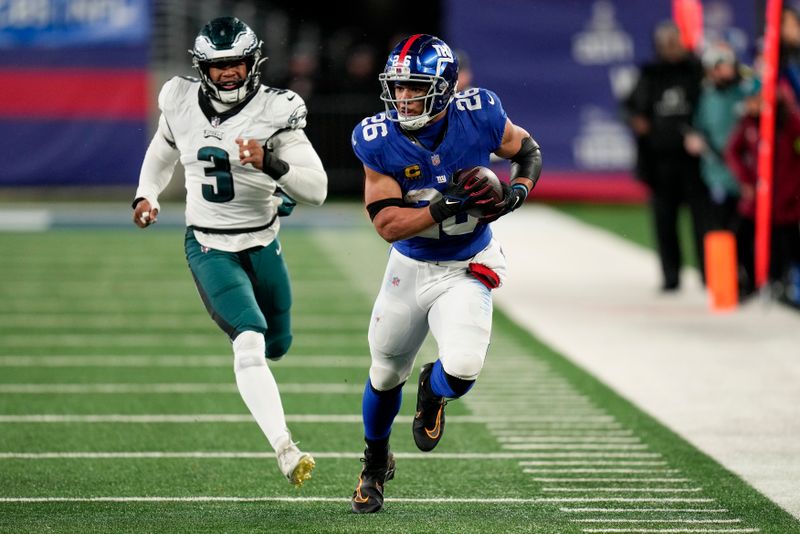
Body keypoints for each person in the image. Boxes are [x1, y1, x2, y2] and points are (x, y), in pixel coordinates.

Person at [348, 34, 542, 513]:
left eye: (415, 87)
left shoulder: (480, 113)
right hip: (411, 264)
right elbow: (388, 224)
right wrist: (443, 207)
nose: (403, 98)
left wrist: (515, 193)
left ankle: (433, 392)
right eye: (397, 87)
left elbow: (528, 152)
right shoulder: (379, 138)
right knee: (385, 370)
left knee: (462, 367)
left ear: (446, 88)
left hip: (465, 264)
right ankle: (374, 464)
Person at [131, 17, 327, 486]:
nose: (229, 74)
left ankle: (276, 420)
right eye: (219, 66)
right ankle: (284, 447)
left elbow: (317, 189)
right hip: (209, 245)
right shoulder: (179, 101)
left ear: (253, 62)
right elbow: (162, 152)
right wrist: (147, 194)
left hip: (263, 241)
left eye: (236, 63)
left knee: (278, 344)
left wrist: (272, 164)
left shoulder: (276, 110)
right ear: (203, 68)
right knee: (251, 342)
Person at [624, 21, 707, 291]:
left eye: (675, 41)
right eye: (666, 43)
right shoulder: (650, 74)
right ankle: (671, 276)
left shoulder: (696, 71)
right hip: (659, 162)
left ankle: (709, 274)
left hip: (694, 162)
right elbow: (627, 106)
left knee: (702, 220)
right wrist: (636, 119)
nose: (671, 48)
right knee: (664, 221)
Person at [724, 78, 800, 305]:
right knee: (740, 236)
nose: (749, 105)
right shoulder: (749, 123)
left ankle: (786, 284)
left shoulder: (791, 122)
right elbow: (733, 152)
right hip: (759, 199)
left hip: (787, 200)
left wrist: (791, 189)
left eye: (754, 100)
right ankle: (751, 281)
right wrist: (746, 181)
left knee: (787, 244)